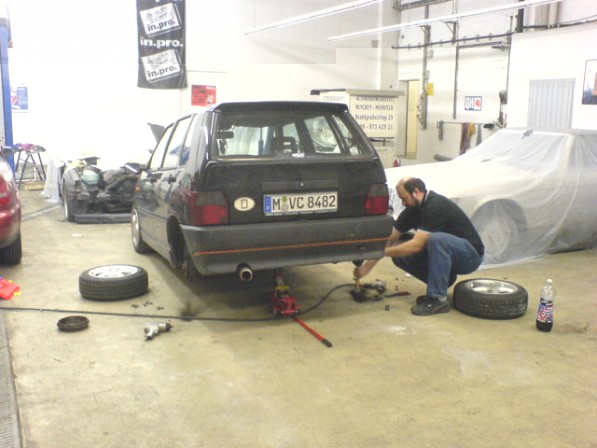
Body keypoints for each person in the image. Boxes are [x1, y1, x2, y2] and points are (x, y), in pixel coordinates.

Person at [354, 177, 484, 316]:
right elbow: (389, 240)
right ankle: (443, 281)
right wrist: (366, 268)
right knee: (400, 256)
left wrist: (384, 252)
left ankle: (438, 299)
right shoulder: (411, 211)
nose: (403, 203)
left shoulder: (435, 205)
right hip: (450, 255)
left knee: (436, 240)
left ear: (416, 192)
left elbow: (416, 246)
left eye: (404, 198)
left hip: (470, 256)